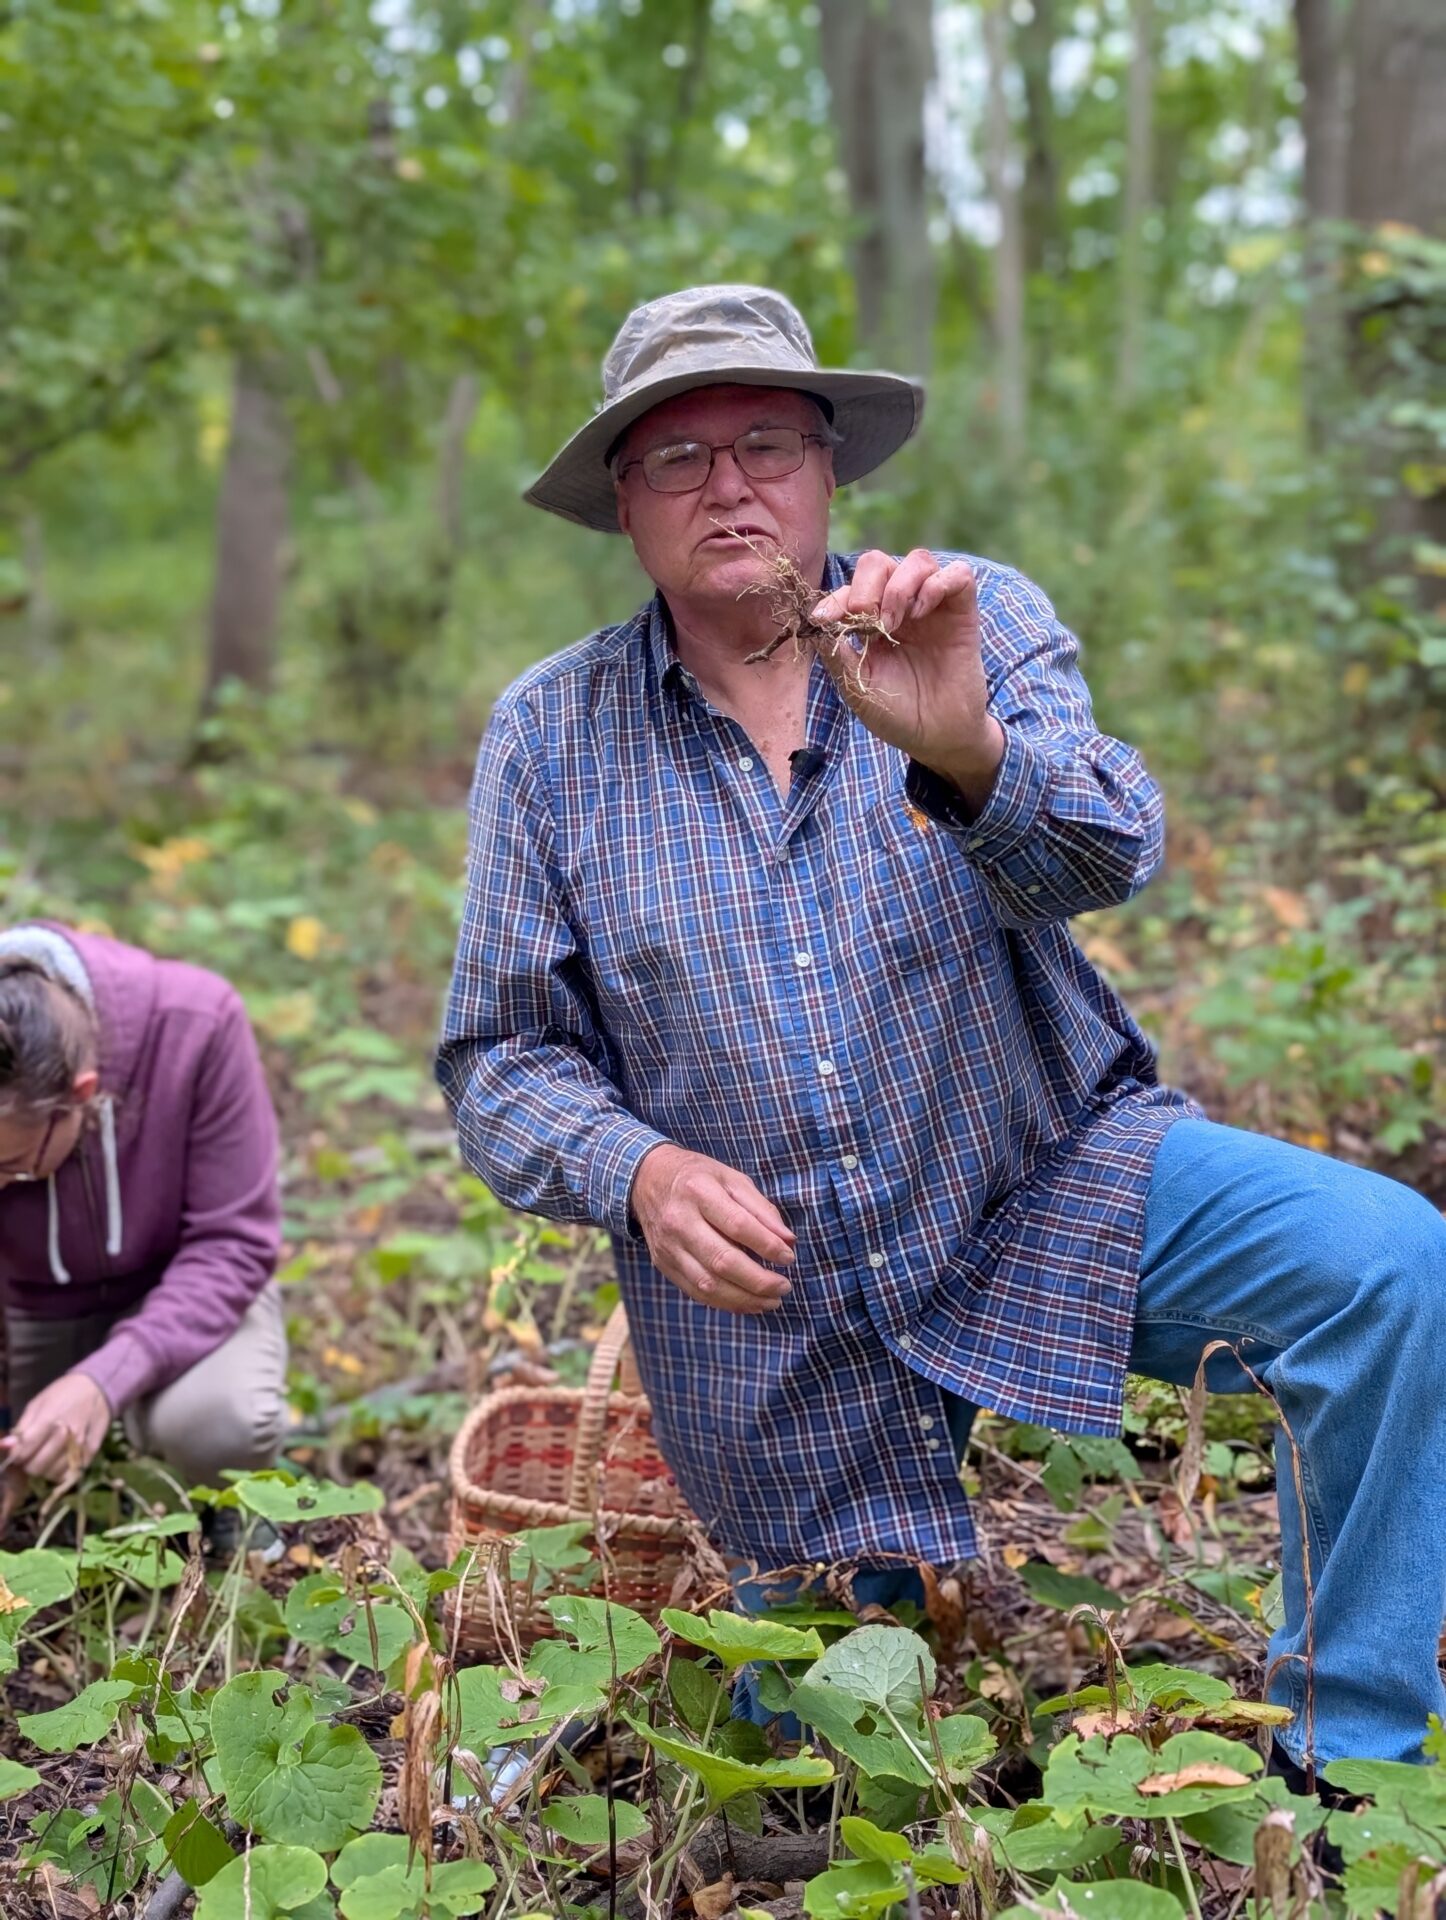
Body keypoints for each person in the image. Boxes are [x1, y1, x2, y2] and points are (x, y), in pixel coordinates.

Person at [437, 284, 1446, 1775]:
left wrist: (962, 746)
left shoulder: (969, 618)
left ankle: (1350, 1761)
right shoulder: (550, 734)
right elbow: (498, 1058)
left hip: (1037, 1179)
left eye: (765, 440)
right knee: (856, 1777)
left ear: (828, 467)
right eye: (675, 456)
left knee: (1382, 1270)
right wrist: (638, 1175)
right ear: (623, 506)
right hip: (773, 1311)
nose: (728, 483)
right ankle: (853, 1637)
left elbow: (1109, 850)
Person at [0, 921, 288, 1500]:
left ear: (81, 1096)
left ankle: (228, 1515)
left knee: (217, 1422)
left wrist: (104, 1380)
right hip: (34, 1309)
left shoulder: (196, 1024)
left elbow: (233, 1244)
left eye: (11, 1166)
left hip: (186, 1291)